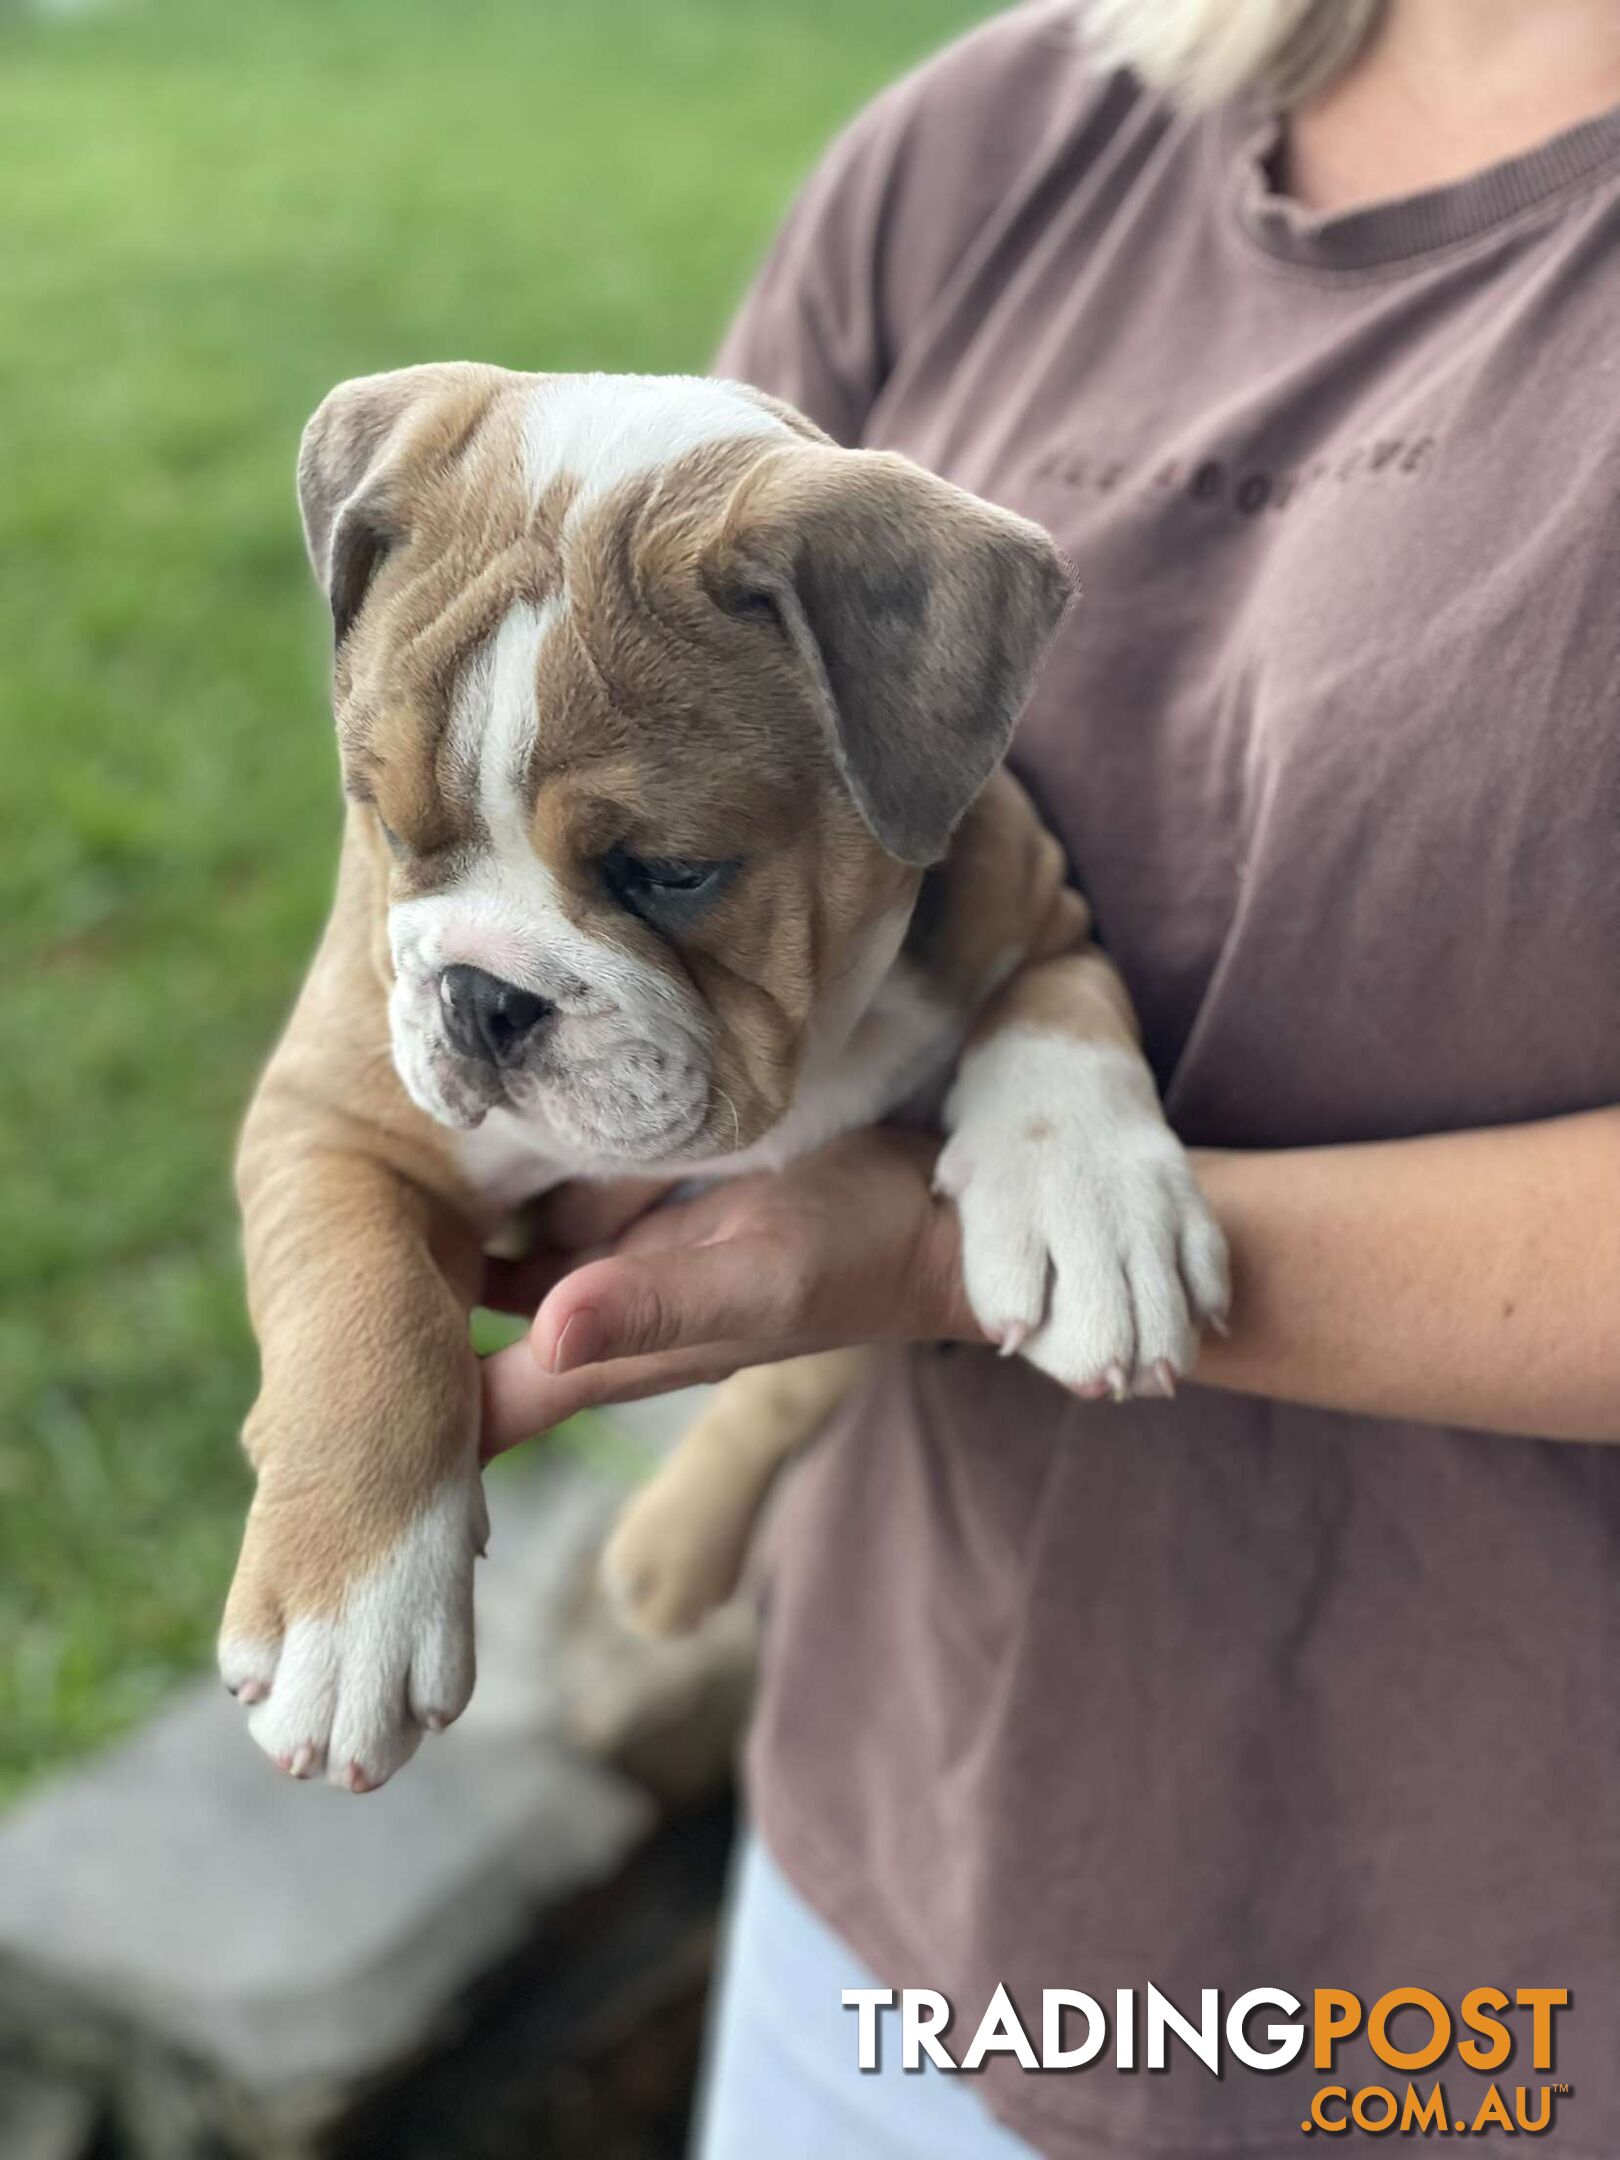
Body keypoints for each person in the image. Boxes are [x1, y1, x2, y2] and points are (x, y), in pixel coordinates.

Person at [482, 2, 1620, 2150]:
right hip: (894, 1900)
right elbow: (644, 765)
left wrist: (943, 1252)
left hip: (1488, 2022)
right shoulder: (1002, 140)